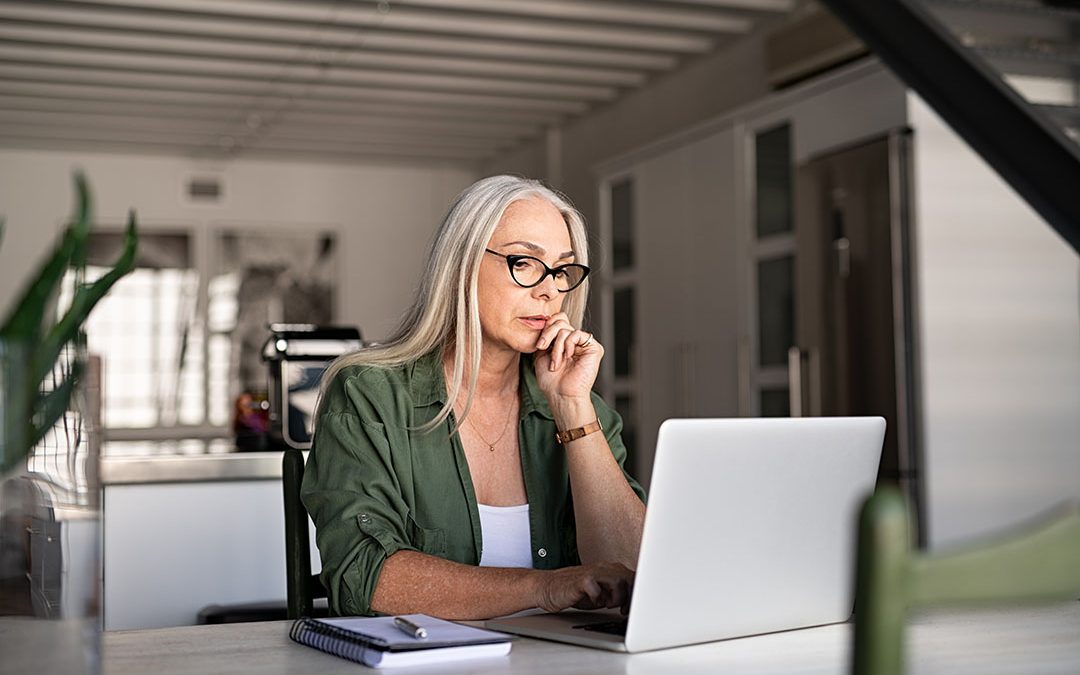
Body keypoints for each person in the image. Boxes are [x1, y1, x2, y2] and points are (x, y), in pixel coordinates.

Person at [302, 175, 647, 620]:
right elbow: (365, 579)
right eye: (524, 262)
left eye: (562, 270)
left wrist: (572, 409)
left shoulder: (581, 408)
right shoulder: (370, 395)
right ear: (461, 264)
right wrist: (544, 587)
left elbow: (637, 574)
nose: (550, 290)